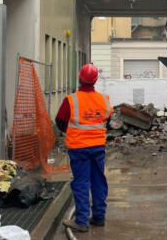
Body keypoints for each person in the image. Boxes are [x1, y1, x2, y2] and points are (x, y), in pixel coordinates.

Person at [55, 63, 112, 233]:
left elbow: (60, 121)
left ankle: (81, 221)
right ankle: (99, 217)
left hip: (78, 148)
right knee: (98, 181)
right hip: (97, 147)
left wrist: (71, 132)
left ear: (80, 78)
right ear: (95, 80)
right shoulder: (104, 99)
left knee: (81, 182)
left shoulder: (71, 100)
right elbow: (105, 120)